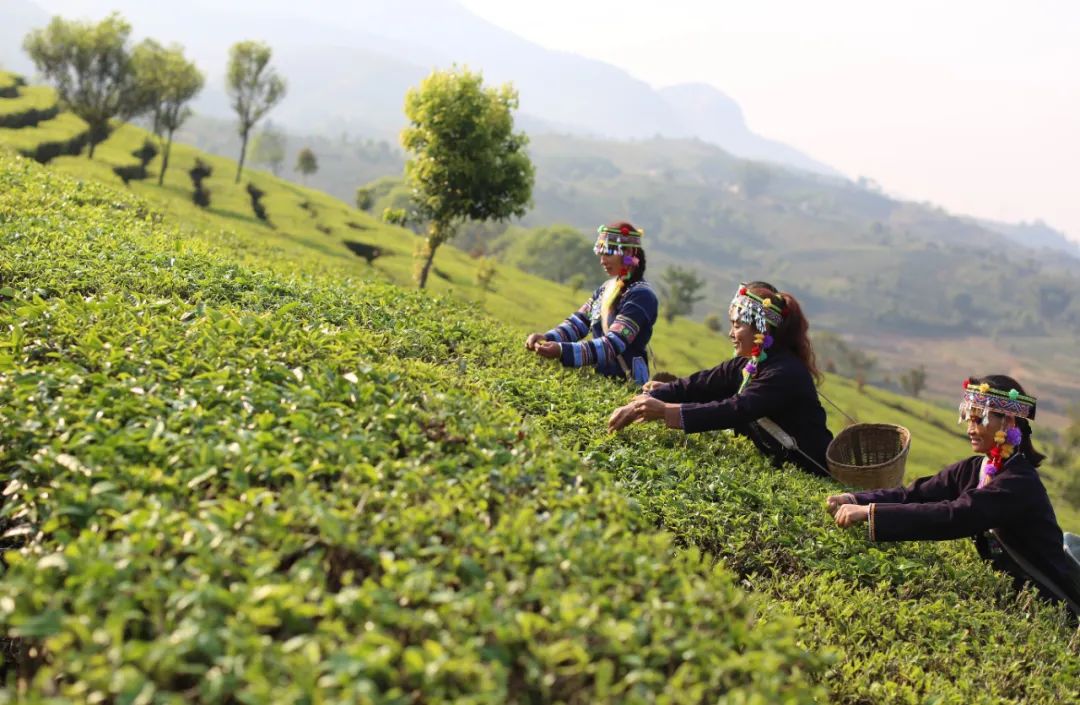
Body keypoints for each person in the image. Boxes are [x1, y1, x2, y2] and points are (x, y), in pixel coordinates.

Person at [828, 375, 1080, 612]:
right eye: (968, 419)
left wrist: (871, 514)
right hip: (1019, 596)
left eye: (978, 419)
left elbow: (957, 515)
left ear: (1009, 423)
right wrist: (857, 500)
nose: (970, 428)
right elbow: (916, 494)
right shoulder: (975, 469)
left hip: (1052, 601)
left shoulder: (1019, 482)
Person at [608, 282, 833, 476]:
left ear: (761, 328)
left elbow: (736, 409)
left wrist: (665, 411)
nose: (731, 333)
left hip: (810, 468)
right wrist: (646, 399)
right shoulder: (750, 364)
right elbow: (699, 384)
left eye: (737, 325)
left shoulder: (783, 373)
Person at [525, 221, 658, 385]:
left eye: (608, 253)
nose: (602, 261)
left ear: (629, 252)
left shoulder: (641, 296)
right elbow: (580, 322)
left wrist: (561, 350)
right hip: (600, 380)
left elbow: (613, 344)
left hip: (627, 384)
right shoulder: (606, 289)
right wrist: (547, 337)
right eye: (600, 254)